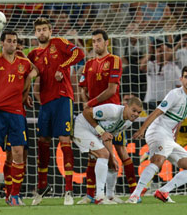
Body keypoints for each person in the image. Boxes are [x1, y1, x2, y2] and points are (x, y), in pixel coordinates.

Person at [28, 17, 85, 206]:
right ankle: (42, 186)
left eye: (45, 29)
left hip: (62, 99)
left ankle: (69, 190)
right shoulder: (33, 54)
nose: (42, 32)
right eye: (39, 30)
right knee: (43, 141)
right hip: (45, 102)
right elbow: (26, 73)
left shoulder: (59, 43)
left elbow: (80, 53)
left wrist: (62, 67)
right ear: (35, 33)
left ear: (50, 31)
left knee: (64, 140)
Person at [78, 29, 137, 204]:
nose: (96, 44)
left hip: (113, 116)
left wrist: (91, 102)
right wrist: (87, 103)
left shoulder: (114, 60)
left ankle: (133, 192)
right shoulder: (88, 64)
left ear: (106, 42)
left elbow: (112, 89)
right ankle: (92, 195)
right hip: (94, 117)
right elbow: (82, 88)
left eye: (98, 40)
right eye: (93, 41)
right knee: (95, 154)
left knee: (119, 151)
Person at [0, 30, 35, 206]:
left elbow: (33, 73)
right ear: (2, 43)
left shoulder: (24, 63)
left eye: (15, 41)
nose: (12, 44)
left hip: (17, 113)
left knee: (19, 153)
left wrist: (26, 93)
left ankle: (14, 195)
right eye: (9, 41)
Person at [126, 66, 187, 203]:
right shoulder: (175, 94)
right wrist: (142, 129)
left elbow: (180, 120)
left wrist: (175, 138)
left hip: (169, 137)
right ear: (181, 79)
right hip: (158, 131)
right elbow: (157, 111)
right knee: (158, 161)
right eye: (186, 77)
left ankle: (163, 191)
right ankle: (135, 195)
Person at [74, 97, 143, 204]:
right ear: (126, 106)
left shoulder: (127, 122)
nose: (136, 114)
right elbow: (86, 112)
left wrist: (112, 157)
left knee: (112, 162)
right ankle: (100, 197)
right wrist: (101, 131)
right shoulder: (112, 110)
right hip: (81, 128)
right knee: (104, 154)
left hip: (96, 135)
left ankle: (109, 196)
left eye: (139, 112)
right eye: (133, 110)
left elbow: (108, 138)